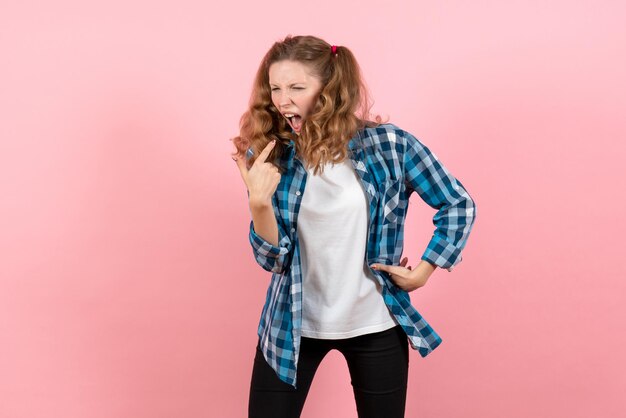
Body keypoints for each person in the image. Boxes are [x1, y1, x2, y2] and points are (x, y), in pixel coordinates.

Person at [231, 35, 477, 418]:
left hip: (375, 319)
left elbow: (457, 203)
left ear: (329, 89)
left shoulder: (390, 145)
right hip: (290, 323)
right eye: (275, 88)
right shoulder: (269, 154)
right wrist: (259, 202)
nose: (283, 100)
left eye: (297, 87)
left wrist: (425, 271)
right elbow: (272, 260)